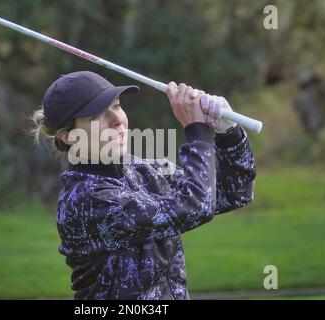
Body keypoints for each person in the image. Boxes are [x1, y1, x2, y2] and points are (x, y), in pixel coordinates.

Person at [31, 71, 256, 300]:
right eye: (97, 116)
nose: (117, 120)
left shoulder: (143, 171)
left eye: (117, 106)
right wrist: (196, 130)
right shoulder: (85, 201)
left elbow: (232, 193)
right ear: (68, 135)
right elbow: (196, 206)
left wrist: (228, 132)